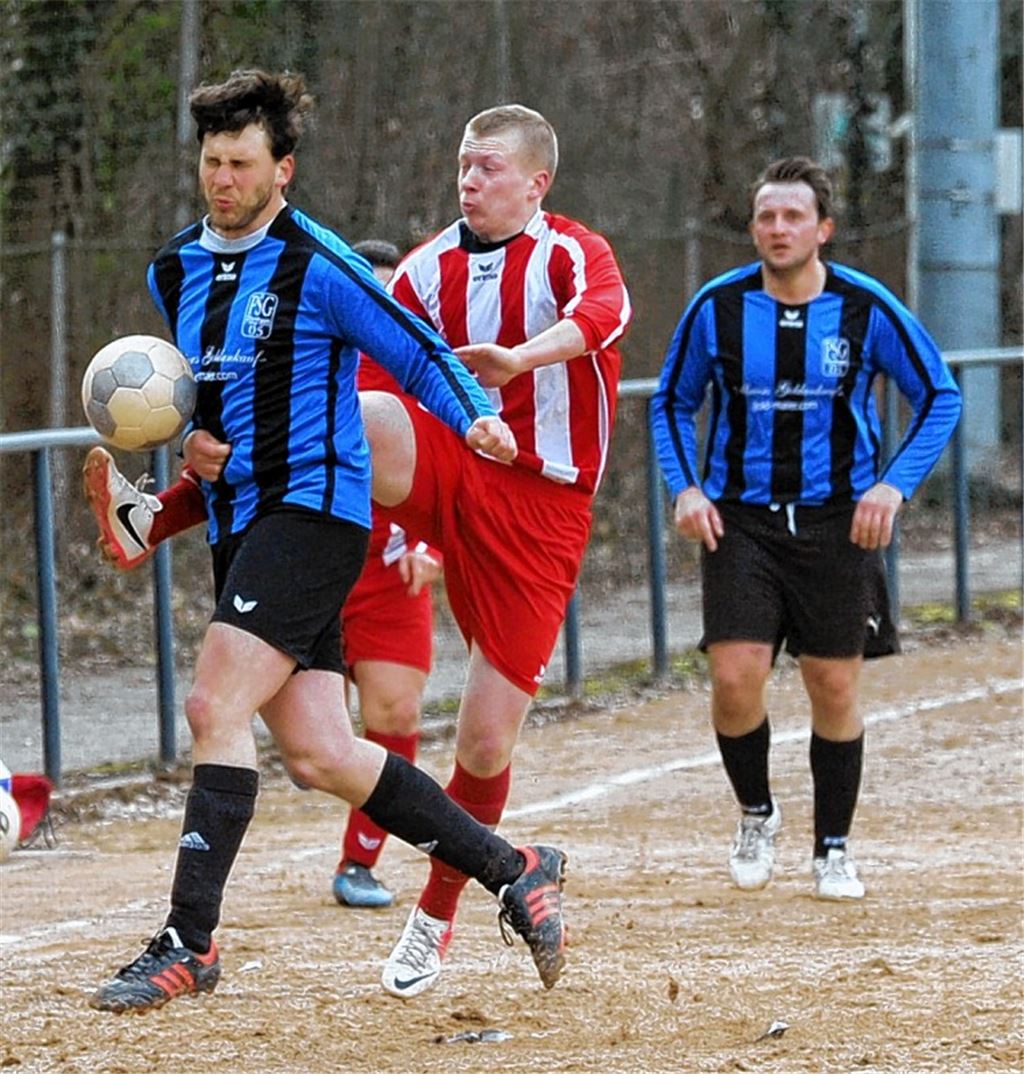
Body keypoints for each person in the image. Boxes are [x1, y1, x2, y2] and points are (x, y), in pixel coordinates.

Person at [87, 69, 568, 1015]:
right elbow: (202, 398)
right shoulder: (175, 267)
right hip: (242, 522)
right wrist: (191, 442)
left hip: (314, 515)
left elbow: (415, 350)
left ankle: (189, 942)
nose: (222, 180)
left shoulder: (320, 262)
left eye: (241, 163)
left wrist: (473, 414)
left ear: (283, 170)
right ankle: (514, 866)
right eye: (212, 162)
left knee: (211, 703)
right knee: (319, 751)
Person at [356, 103, 632, 997]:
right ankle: (168, 511)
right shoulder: (429, 266)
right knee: (349, 415)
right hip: (458, 464)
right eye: (463, 167)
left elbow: (602, 315)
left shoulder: (571, 250)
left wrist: (519, 358)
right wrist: (403, 528)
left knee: (480, 743)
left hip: (542, 505)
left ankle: (439, 912)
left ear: (535, 181)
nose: (469, 182)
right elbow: (376, 368)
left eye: (488, 168)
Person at [85, 238, 438, 911]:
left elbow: (426, 474)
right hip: (290, 545)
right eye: (368, 288)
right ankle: (150, 519)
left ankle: (361, 862)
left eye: (390, 292)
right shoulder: (293, 346)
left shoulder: (401, 371)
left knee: (383, 714)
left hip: (384, 561)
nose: (376, 303)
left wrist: (434, 544)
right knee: (309, 747)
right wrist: (191, 435)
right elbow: (232, 428)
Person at [649, 156, 962, 901]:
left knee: (832, 683)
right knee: (734, 678)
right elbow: (668, 403)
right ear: (753, 227)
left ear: (822, 229)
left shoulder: (867, 308)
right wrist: (684, 488)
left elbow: (939, 397)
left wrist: (893, 484)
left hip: (837, 524)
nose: (778, 229)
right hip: (742, 523)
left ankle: (833, 849)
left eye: (793, 217)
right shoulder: (717, 308)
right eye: (766, 217)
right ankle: (756, 812)